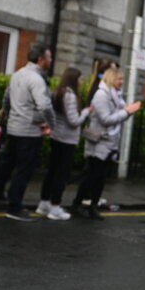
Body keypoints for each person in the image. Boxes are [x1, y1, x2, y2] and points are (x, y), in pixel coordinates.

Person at [70, 66, 141, 220]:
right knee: (91, 176)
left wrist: (128, 111)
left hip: (109, 142)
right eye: (119, 79)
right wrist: (127, 111)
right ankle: (77, 204)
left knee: (100, 178)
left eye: (122, 79)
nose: (122, 82)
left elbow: (121, 115)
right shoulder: (101, 95)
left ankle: (93, 207)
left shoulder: (116, 95)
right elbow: (106, 120)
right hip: (98, 142)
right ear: (110, 79)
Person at [0, 45, 55, 220]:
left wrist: (5, 112)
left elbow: (7, 96)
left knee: (6, 165)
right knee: (24, 170)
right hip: (29, 132)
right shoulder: (36, 79)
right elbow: (44, 105)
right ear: (41, 60)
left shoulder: (17, 74)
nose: (51, 60)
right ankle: (14, 208)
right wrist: (51, 124)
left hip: (14, 128)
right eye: (49, 57)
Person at [35, 67, 90, 221]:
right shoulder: (70, 96)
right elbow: (74, 121)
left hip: (56, 137)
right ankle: (55, 207)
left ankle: (43, 203)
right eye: (80, 78)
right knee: (61, 174)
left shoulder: (57, 92)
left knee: (52, 172)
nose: (81, 81)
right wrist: (86, 112)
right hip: (67, 139)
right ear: (74, 79)